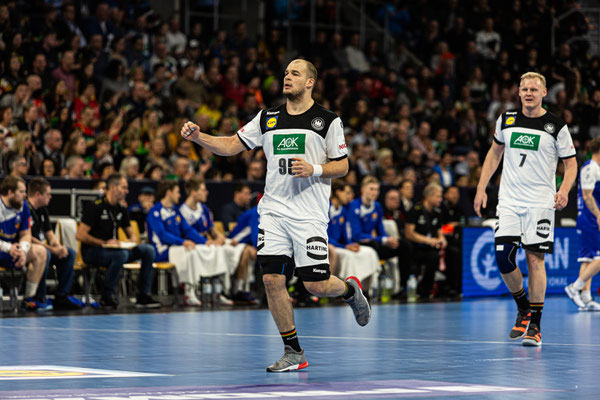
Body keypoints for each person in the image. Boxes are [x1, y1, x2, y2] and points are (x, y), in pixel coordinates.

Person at [180, 59, 370, 372]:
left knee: (315, 285)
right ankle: (293, 351)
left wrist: (315, 168)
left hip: (308, 215)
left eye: (295, 73)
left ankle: (350, 291)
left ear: (310, 82)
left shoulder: (326, 120)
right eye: (285, 73)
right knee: (271, 279)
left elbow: (343, 165)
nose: (287, 77)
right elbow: (230, 145)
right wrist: (199, 137)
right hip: (273, 211)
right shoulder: (268, 117)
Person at [474, 72, 577, 347]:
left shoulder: (555, 125)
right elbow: (494, 153)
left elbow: (571, 164)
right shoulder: (506, 119)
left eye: (534, 89)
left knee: (535, 261)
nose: (529, 93)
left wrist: (564, 189)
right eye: (524, 89)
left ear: (544, 93)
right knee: (503, 258)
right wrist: (481, 187)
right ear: (518, 93)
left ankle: (536, 325)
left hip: (540, 203)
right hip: (508, 200)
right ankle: (523, 307)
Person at [76, 173, 162, 310]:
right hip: (92, 251)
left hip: (114, 250)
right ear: (113, 187)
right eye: (124, 187)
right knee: (121, 255)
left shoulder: (121, 208)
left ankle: (143, 295)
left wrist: (126, 242)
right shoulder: (96, 206)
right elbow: (80, 235)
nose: (127, 191)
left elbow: (133, 236)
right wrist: (103, 243)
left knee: (147, 250)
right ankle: (107, 295)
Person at [179, 178, 257, 305]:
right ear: (193, 192)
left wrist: (221, 238)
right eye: (203, 190)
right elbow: (188, 232)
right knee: (210, 252)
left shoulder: (203, 208)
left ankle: (225, 291)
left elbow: (212, 229)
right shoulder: (183, 211)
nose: (207, 192)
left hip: (208, 244)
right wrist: (206, 242)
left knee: (241, 249)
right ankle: (192, 292)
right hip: (195, 245)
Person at [146, 180, 210, 306]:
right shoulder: (155, 211)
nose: (179, 195)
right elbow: (162, 235)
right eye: (177, 192)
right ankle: (188, 293)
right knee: (188, 251)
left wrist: (204, 241)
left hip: (175, 249)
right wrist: (183, 242)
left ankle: (193, 289)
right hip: (161, 251)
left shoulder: (175, 210)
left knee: (195, 249)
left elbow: (187, 229)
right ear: (169, 193)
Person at [26, 177, 81, 310]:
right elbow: (29, 237)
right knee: (45, 254)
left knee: (70, 253)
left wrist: (58, 246)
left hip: (42, 247)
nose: (50, 197)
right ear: (38, 194)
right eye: (48, 194)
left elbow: (49, 233)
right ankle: (39, 296)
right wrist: (51, 249)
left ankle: (62, 295)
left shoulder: (42, 209)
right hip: (28, 249)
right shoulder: (25, 209)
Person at [0, 176, 50, 311]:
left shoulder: (23, 207)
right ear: (10, 192)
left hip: (13, 251)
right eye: (21, 192)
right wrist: (8, 247)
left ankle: (29, 299)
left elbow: (26, 234)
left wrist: (23, 250)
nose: (25, 195)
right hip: (4, 249)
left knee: (40, 251)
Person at [565, 137, 600, 311]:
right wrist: (599, 215)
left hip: (593, 218)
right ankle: (575, 288)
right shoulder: (589, 168)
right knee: (598, 259)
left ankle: (586, 298)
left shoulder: (597, 169)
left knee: (589, 259)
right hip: (590, 219)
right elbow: (587, 196)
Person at [405, 183, 447, 298]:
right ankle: (414, 289)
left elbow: (440, 233)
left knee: (439, 255)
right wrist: (428, 240)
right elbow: (409, 233)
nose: (441, 199)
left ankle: (428, 291)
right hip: (415, 247)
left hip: (430, 248)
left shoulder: (437, 212)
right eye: (438, 196)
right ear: (429, 196)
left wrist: (442, 240)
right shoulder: (415, 209)